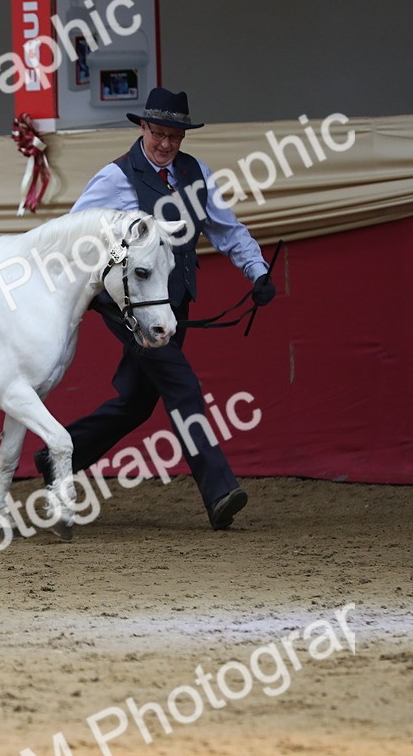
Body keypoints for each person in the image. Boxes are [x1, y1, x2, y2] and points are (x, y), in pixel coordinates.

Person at [35, 87, 276, 530]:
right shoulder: (116, 178)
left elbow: (227, 230)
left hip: (173, 302)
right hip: (131, 308)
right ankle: (219, 490)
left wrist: (257, 272)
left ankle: (57, 457)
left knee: (136, 404)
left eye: (174, 136)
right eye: (158, 133)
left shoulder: (196, 173)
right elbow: (72, 233)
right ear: (142, 128)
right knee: (183, 386)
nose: (165, 144)